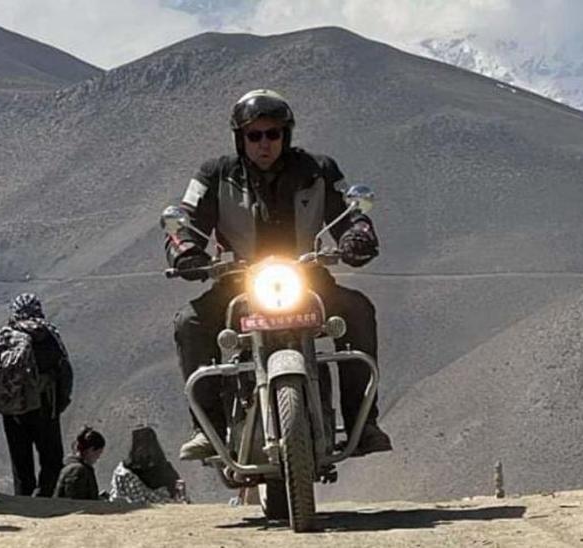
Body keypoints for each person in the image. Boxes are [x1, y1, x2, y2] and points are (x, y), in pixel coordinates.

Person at [166, 89, 391, 460]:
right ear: (241, 139)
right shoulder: (215, 174)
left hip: (307, 279)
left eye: (273, 134)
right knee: (189, 322)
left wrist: (357, 236)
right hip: (237, 282)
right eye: (255, 135)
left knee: (358, 310)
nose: (264, 143)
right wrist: (186, 251)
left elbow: (350, 215)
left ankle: (362, 424)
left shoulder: (319, 171)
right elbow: (184, 221)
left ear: (286, 135)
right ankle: (209, 430)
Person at [0, 293, 73, 497]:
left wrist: (0, 404)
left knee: (21, 464)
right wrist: (60, 404)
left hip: (11, 410)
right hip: (44, 407)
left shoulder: (4, 337)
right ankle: (45, 498)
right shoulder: (47, 335)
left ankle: (24, 503)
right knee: (51, 459)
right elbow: (65, 372)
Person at [108, 426, 186, 504]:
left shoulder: (164, 469)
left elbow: (177, 492)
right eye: (140, 446)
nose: (143, 450)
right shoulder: (125, 474)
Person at [54, 425, 105, 500]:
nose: (98, 457)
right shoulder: (78, 471)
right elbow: (75, 501)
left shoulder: (75, 467)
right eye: (98, 453)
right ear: (91, 450)